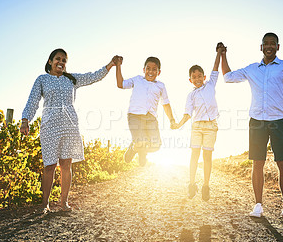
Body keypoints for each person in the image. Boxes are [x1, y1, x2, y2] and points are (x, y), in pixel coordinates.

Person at [221, 33, 283, 222]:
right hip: (257, 121)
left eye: (272, 43)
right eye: (266, 44)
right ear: (260, 47)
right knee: (257, 163)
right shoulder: (252, 69)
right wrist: (222, 55)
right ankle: (258, 205)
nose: (269, 46)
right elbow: (228, 77)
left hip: (279, 121)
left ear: (278, 47)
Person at [20, 48, 119, 214]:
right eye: (58, 59)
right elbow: (33, 101)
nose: (61, 62)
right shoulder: (42, 80)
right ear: (50, 61)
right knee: (49, 165)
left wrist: (111, 64)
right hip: (50, 125)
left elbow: (93, 76)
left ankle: (63, 203)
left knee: (66, 164)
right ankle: (45, 205)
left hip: (69, 125)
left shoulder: (71, 79)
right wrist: (25, 120)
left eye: (64, 60)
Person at [172, 44, 225, 201]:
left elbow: (215, 68)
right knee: (194, 155)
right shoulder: (191, 95)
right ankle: (192, 183)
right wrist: (178, 124)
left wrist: (219, 53)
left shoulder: (210, 85)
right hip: (197, 127)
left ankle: (206, 186)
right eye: (194, 77)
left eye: (199, 76)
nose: (197, 79)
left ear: (204, 77)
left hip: (211, 127)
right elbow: (187, 114)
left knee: (207, 156)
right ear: (190, 80)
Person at [115, 56, 175, 166]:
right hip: (135, 116)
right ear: (144, 70)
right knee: (140, 142)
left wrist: (172, 120)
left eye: (154, 69)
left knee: (156, 145)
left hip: (151, 118)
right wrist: (118, 66)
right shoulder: (137, 79)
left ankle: (139, 148)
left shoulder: (160, 86)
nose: (150, 72)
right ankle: (136, 147)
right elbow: (120, 84)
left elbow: (166, 104)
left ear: (159, 72)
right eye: (148, 68)